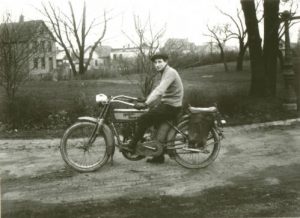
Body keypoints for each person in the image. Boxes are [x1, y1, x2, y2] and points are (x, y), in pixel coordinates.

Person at [122, 53, 184, 164]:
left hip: (171, 106)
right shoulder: (165, 72)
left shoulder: (170, 72)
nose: (157, 64)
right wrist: (145, 99)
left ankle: (132, 146)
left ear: (166, 62)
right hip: (169, 105)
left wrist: (146, 103)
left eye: (160, 61)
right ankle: (158, 157)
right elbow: (159, 90)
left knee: (143, 119)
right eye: (155, 62)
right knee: (155, 125)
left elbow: (159, 90)